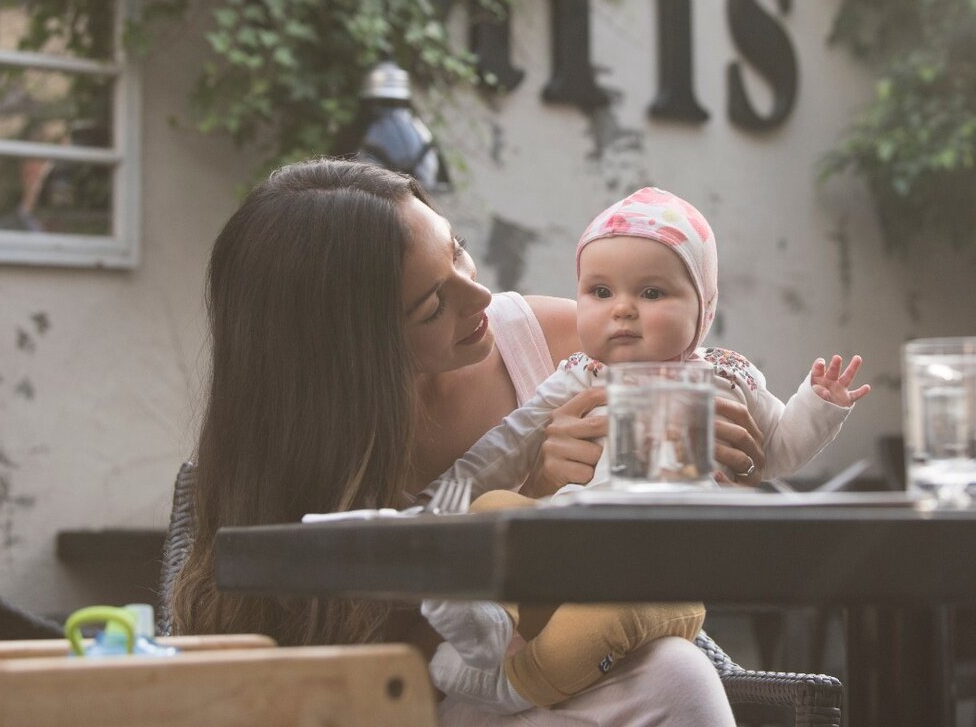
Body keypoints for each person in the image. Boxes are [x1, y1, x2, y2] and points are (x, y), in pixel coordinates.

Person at [173, 158, 768, 725]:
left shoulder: (555, 344)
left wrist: (712, 445)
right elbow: (389, 680)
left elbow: (702, 413)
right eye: (436, 304)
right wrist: (533, 492)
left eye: (457, 250)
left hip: (598, 688)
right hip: (430, 708)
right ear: (352, 352)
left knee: (672, 674)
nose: (480, 298)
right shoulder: (306, 458)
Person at [421, 185, 870, 714]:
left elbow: (779, 449)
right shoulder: (579, 376)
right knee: (490, 511)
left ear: (702, 308)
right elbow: (506, 448)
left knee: (606, 618)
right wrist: (437, 503)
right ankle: (489, 624)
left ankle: (512, 684)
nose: (624, 311)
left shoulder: (725, 377)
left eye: (652, 294)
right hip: (567, 539)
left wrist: (819, 403)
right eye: (601, 292)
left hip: (656, 568)